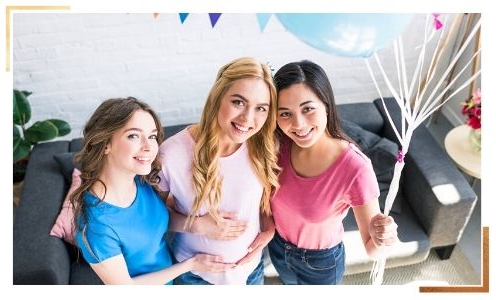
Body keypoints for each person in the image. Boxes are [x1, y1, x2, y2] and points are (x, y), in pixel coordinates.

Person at [71, 97, 234, 285]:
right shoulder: (95, 224)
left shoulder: (142, 181)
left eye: (152, 136)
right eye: (133, 136)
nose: (149, 147)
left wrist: (198, 225)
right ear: (105, 143)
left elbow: (153, 221)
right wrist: (191, 264)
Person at [268, 60, 398, 285]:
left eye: (308, 109)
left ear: (326, 105)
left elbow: (372, 251)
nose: (298, 124)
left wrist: (383, 238)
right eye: (285, 113)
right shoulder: (278, 146)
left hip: (319, 264)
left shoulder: (356, 168)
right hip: (277, 248)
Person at [158, 57, 279, 285]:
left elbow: (262, 204)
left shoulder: (263, 145)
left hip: (249, 272)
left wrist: (269, 229)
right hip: (195, 277)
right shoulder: (171, 154)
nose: (247, 118)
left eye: (261, 108)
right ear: (217, 97)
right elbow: (150, 218)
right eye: (238, 102)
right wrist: (197, 225)